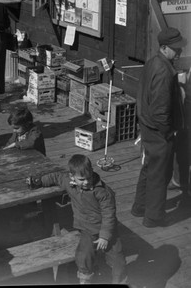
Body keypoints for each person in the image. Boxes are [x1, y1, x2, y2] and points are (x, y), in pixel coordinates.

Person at [30, 154, 127, 284]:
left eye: (89, 178)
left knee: (118, 259)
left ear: (92, 172)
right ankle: (85, 280)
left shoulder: (104, 192)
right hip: (87, 229)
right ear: (72, 177)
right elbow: (57, 177)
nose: (86, 182)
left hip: (107, 230)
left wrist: (105, 236)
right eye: (81, 179)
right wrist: (39, 181)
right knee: (83, 255)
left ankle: (119, 281)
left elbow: (109, 215)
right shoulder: (69, 183)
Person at [131, 27, 186, 228]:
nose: (179, 51)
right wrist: (168, 131)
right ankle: (154, 217)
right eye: (175, 48)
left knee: (149, 169)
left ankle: (140, 207)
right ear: (164, 48)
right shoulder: (164, 72)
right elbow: (161, 110)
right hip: (158, 131)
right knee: (159, 174)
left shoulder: (154, 62)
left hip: (147, 126)